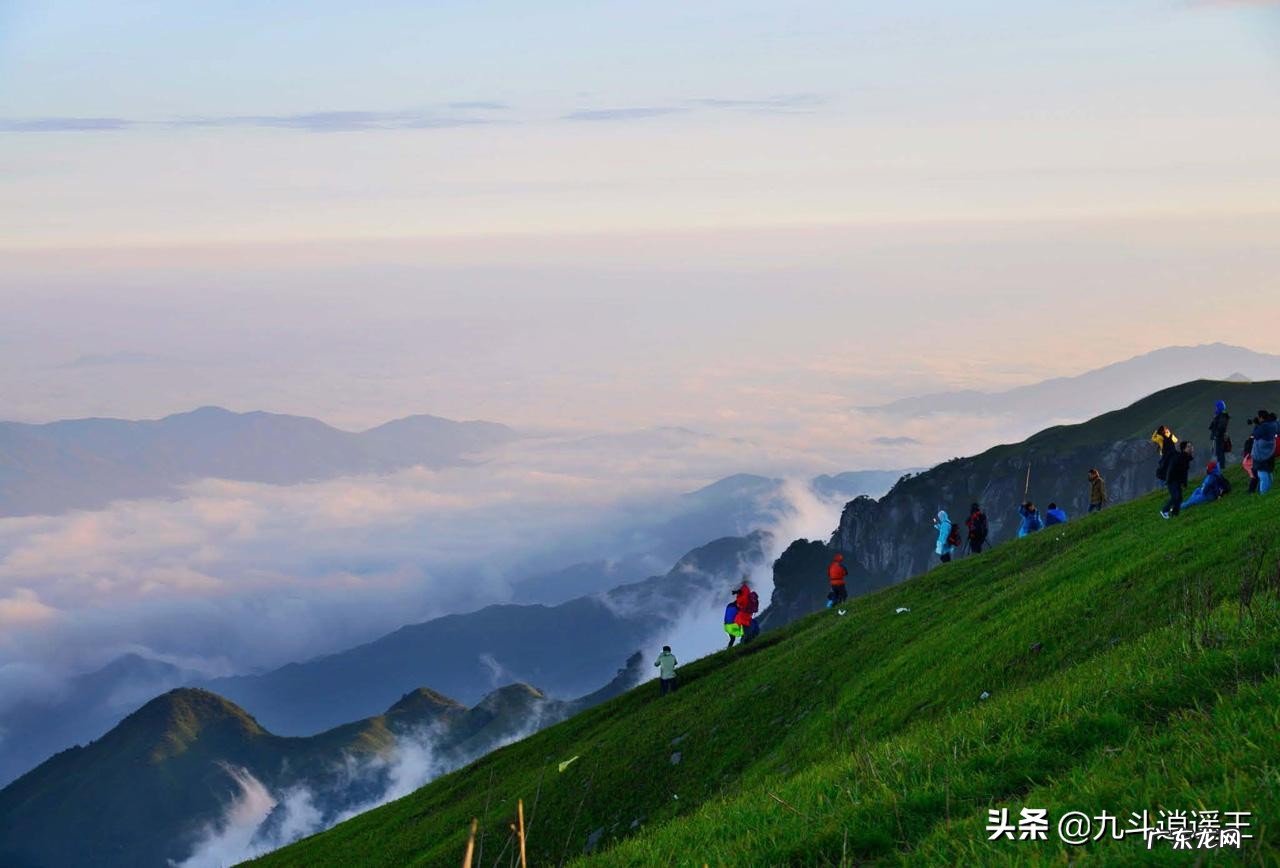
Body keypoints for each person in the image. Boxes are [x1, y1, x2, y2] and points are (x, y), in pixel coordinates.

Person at [1162, 441, 1195, 518]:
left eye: (1191, 446)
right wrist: (1169, 480)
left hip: (1176, 481)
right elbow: (1171, 468)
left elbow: (1184, 472)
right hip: (1172, 480)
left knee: (1179, 498)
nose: (1191, 448)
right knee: (1175, 497)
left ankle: (1174, 514)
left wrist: (1184, 483)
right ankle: (1164, 510)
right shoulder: (1180, 457)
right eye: (1188, 447)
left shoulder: (1186, 458)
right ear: (1184, 449)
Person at [1251, 411, 1278, 496]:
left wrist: (1256, 425)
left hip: (1261, 454)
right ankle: (1268, 490)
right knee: (1269, 472)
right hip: (1270, 452)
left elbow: (1255, 435)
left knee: (1262, 474)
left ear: (1261, 418)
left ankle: (1263, 494)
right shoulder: (1274, 424)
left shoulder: (1264, 426)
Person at [1209, 400, 1231, 469]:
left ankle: (1222, 467)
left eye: (1216, 407)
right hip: (1218, 437)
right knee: (1218, 453)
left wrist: (1216, 434)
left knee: (1220, 453)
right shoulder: (1219, 415)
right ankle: (1220, 467)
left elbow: (1221, 427)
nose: (1215, 408)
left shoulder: (1223, 416)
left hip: (1220, 437)